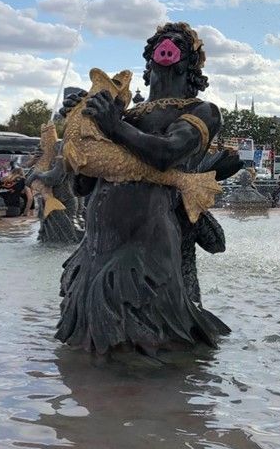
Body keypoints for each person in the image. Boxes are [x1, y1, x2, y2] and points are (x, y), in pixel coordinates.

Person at [55, 22, 231, 357]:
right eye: (159, 45)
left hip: (145, 239)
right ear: (148, 61)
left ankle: (155, 406)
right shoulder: (125, 114)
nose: (167, 46)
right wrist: (79, 130)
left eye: (177, 44)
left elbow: (167, 152)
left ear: (191, 64)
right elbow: (82, 184)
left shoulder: (201, 111)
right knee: (90, 344)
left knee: (147, 341)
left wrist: (113, 125)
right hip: (96, 243)